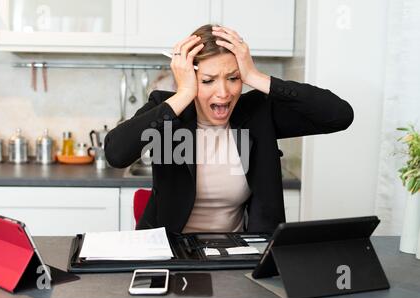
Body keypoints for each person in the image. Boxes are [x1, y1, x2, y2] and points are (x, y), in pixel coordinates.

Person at [104, 24, 354, 234]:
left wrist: (255, 76)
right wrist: (185, 94)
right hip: (171, 252)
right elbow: (116, 153)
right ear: (189, 78)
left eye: (233, 78)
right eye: (208, 80)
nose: (223, 93)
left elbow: (339, 116)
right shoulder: (168, 108)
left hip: (238, 254)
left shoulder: (257, 113)